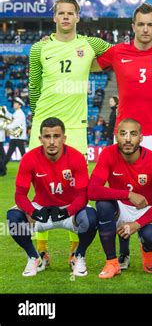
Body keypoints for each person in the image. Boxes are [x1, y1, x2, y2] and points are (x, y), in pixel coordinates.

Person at [91, 2, 152, 270]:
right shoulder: (117, 52)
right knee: (123, 191)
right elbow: (89, 64)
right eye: (141, 24)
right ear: (133, 27)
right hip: (125, 134)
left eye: (151, 25)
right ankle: (124, 251)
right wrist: (67, 42)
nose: (146, 29)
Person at [28, 0, 110, 263]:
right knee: (40, 186)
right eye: (60, 13)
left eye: (70, 13)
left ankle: (76, 250)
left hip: (75, 127)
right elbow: (33, 87)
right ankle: (41, 249)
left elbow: (119, 54)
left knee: (78, 189)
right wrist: (38, 117)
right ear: (54, 17)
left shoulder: (90, 44)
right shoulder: (38, 49)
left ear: (77, 17)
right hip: (44, 122)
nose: (65, 17)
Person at [6, 117, 97, 277]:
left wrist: (66, 211)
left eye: (56, 136)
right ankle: (34, 257)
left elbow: (83, 196)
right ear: (40, 139)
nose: (52, 141)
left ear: (64, 138)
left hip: (70, 209)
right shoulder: (29, 158)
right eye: (47, 137)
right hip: (41, 210)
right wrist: (32, 212)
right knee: (13, 218)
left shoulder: (76, 158)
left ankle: (79, 256)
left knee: (91, 218)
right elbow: (20, 196)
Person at [88, 118, 152, 278]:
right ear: (117, 136)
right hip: (121, 207)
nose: (128, 139)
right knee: (103, 205)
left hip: (145, 209)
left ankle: (147, 251)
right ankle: (112, 262)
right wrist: (128, 194)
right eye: (123, 134)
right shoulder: (108, 154)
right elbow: (92, 191)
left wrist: (136, 224)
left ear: (141, 137)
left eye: (133, 134)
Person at [3, 97, 27, 169]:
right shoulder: (17, 113)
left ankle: (30, 168)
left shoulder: (20, 114)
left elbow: (14, 124)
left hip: (18, 137)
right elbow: (11, 117)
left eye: (16, 103)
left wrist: (5, 126)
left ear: (20, 105)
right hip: (15, 137)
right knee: (10, 154)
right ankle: (2, 168)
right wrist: (6, 112)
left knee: (22, 154)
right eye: (14, 103)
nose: (14, 105)